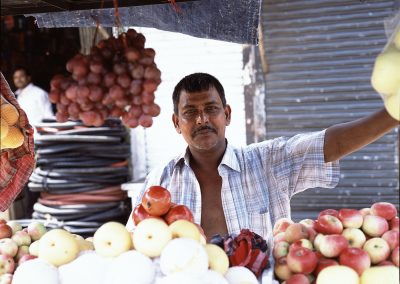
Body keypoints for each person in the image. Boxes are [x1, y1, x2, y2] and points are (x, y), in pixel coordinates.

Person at [126, 72, 398, 248]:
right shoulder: (160, 181)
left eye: (211, 108)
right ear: (176, 122)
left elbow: (329, 143)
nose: (202, 119)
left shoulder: (267, 162)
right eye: (190, 112)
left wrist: (393, 113)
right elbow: (135, 244)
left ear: (227, 114)